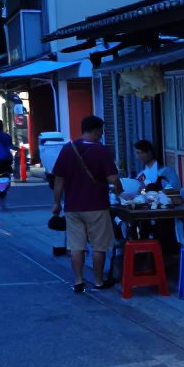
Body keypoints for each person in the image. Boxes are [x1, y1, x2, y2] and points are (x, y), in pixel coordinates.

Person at [50, 115, 122, 293]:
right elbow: (112, 178)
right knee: (99, 245)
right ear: (97, 130)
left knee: (76, 245)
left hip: (72, 206)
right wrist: (119, 189)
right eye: (101, 131)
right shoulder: (101, 150)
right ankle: (98, 281)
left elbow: (59, 179)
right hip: (96, 205)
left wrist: (56, 203)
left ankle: (79, 281)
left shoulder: (67, 149)